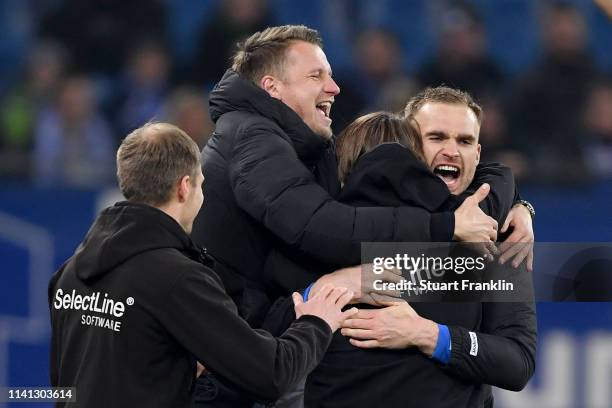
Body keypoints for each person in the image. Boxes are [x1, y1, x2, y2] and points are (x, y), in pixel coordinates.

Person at [48, 122, 357, 408]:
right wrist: (316, 322)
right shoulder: (177, 279)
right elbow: (270, 374)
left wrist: (176, 368)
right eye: (201, 184)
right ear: (185, 187)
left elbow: (82, 379)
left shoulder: (70, 272)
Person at [308, 87, 536, 407]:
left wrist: (428, 335)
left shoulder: (498, 238)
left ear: (478, 154)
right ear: (408, 145)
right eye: (437, 137)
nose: (452, 151)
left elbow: (517, 363)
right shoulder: (344, 223)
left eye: (465, 141)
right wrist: (317, 290)